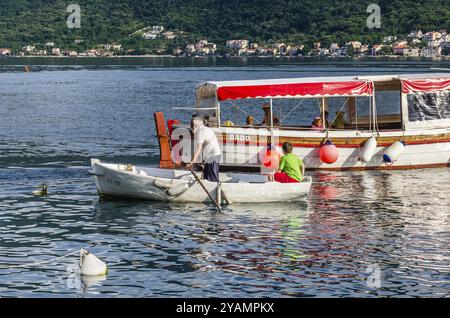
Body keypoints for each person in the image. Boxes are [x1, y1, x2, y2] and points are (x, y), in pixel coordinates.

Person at [187, 117, 222, 182]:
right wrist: (204, 159)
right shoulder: (204, 129)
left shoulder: (200, 131)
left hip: (213, 156)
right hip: (212, 156)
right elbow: (206, 145)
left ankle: (215, 188)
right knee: (206, 176)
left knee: (212, 178)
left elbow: (199, 147)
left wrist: (193, 160)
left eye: (191, 125)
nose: (191, 126)